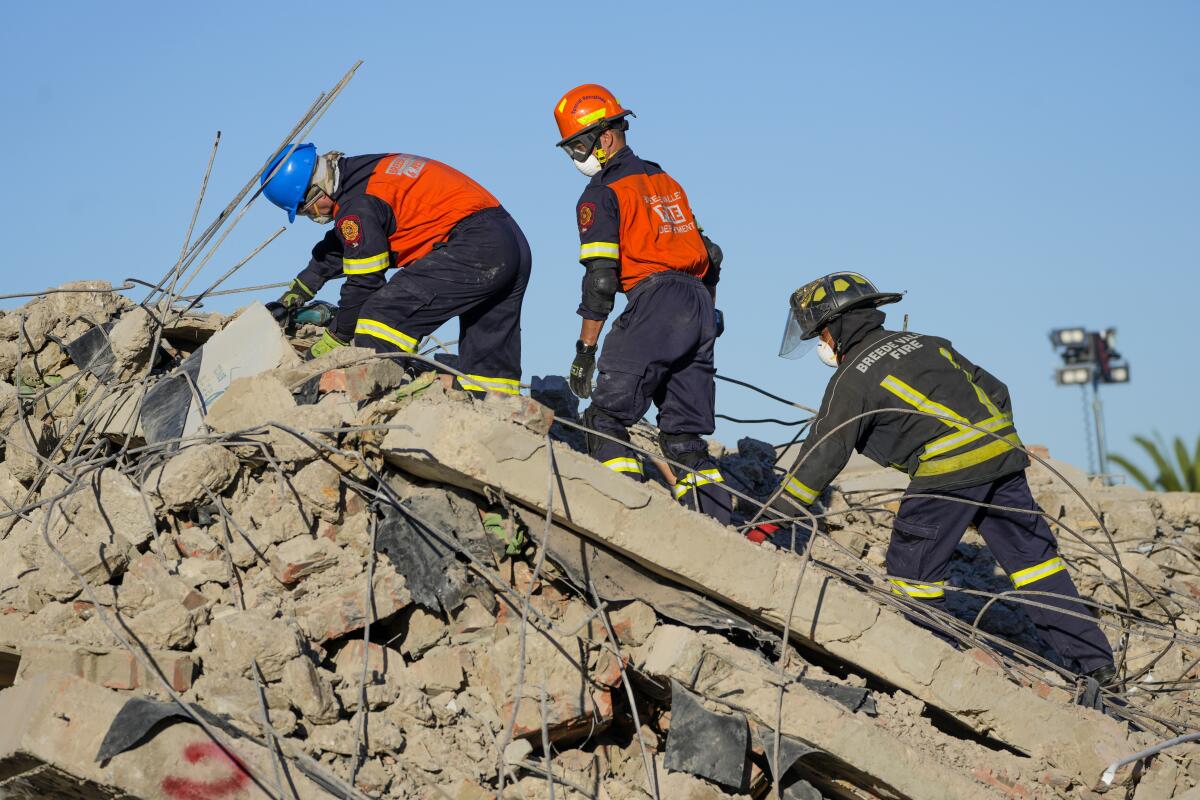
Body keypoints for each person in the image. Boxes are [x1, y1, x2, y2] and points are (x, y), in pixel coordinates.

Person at [775, 271, 1115, 683]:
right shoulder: (929, 343)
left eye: (821, 336)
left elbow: (824, 453)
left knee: (911, 572)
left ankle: (929, 669)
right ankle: (1096, 663)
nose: (822, 345)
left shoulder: (851, 379)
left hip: (946, 471)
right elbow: (997, 389)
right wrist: (989, 453)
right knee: (1035, 565)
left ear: (836, 326)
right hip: (1003, 457)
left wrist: (773, 517)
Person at [553, 84, 731, 524]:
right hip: (696, 304)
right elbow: (711, 255)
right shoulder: (665, 180)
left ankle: (626, 518)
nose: (576, 156)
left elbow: (600, 280)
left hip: (655, 302)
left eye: (579, 144)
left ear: (606, 136)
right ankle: (717, 530)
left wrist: (585, 350)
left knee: (604, 416)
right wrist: (709, 308)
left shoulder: (602, 193)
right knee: (685, 438)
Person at [260, 144, 531, 395]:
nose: (314, 216)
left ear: (318, 188)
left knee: (380, 316)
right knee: (488, 369)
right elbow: (341, 245)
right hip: (509, 242)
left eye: (308, 209)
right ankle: (500, 417)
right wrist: (297, 292)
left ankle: (383, 400)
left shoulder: (358, 206)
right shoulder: (362, 173)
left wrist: (337, 337)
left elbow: (364, 281)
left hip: (474, 246)